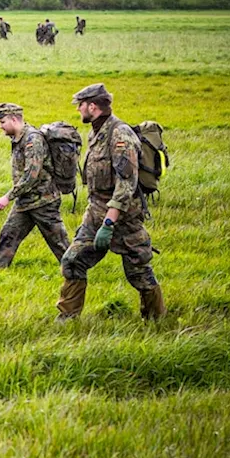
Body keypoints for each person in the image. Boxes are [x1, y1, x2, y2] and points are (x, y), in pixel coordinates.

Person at [57, 84, 165, 321]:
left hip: (123, 217)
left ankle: (156, 319)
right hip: (95, 212)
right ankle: (67, 319)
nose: (78, 110)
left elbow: (126, 184)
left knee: (138, 271)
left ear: (92, 106)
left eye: (80, 106)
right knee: (73, 260)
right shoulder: (96, 132)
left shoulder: (120, 135)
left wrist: (109, 223)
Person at [0, 103, 69, 269]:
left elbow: (31, 176)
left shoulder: (33, 140)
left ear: (14, 119)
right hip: (25, 201)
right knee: (8, 235)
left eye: (2, 122)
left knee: (59, 243)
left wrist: (7, 197)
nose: (0, 127)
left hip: (43, 202)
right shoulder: (18, 138)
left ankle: (75, 273)